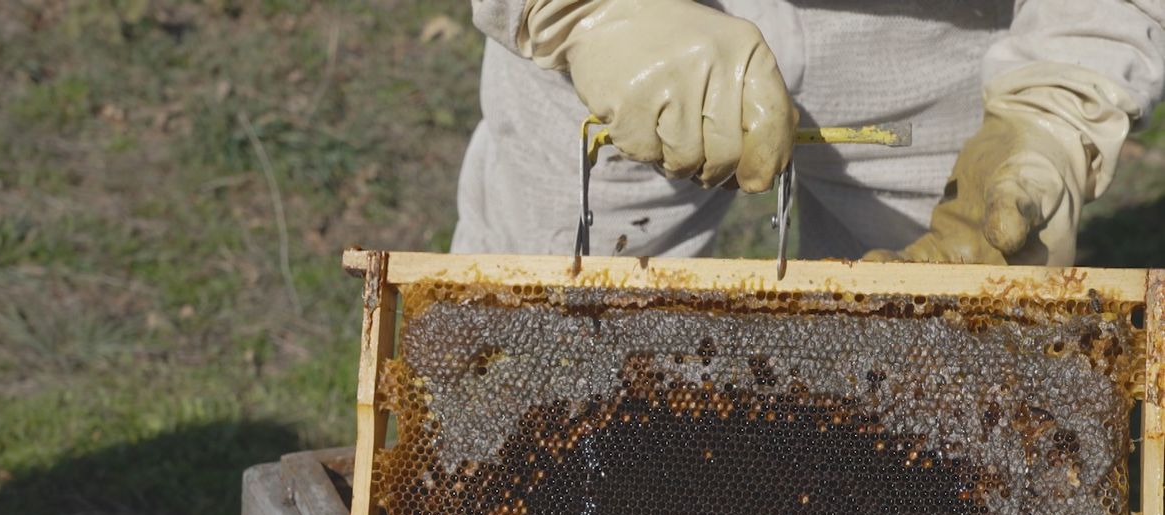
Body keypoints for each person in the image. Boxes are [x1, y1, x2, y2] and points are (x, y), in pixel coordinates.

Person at [454, 0, 1165, 265]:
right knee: (523, 373)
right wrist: (584, 11)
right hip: (627, 43)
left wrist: (1056, 104)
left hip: (940, 53)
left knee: (936, 412)